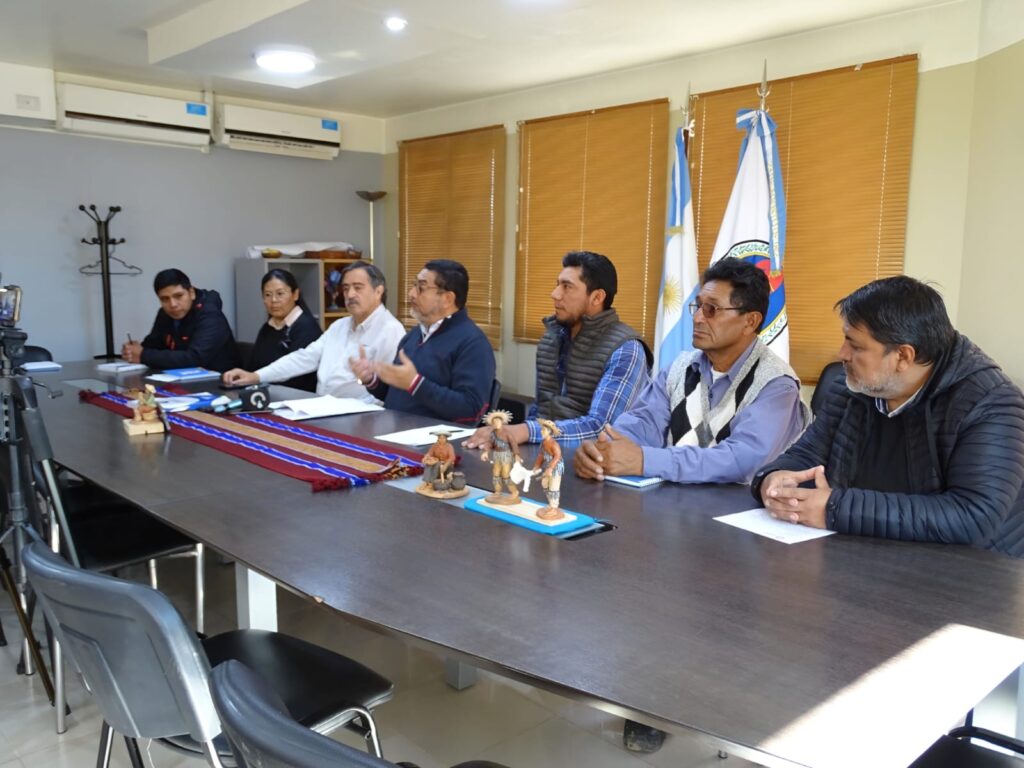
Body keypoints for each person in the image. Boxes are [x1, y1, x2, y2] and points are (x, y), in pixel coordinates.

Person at [753, 275, 1024, 556]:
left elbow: (973, 516)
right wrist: (773, 479)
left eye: (856, 346)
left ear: (903, 356)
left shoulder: (990, 403)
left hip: (969, 567)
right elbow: (807, 454)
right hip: (868, 550)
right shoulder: (854, 386)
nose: (842, 354)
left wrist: (835, 509)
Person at [574, 258, 808, 485]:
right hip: (671, 502)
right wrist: (604, 451)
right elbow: (643, 423)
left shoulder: (776, 385)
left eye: (711, 309)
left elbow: (740, 460)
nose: (697, 318)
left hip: (739, 508)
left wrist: (645, 460)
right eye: (698, 306)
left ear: (750, 321)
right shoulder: (680, 368)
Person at [465, 250, 650, 451]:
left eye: (567, 287)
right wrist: (508, 438)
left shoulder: (627, 349)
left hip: (592, 461)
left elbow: (602, 429)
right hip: (541, 451)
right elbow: (540, 410)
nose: (555, 294)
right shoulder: (551, 338)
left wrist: (525, 431)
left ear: (597, 297)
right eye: (557, 284)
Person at [223, 262, 404, 401]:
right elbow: (305, 357)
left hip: (362, 414)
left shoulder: (390, 331)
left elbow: (390, 389)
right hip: (322, 407)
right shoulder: (339, 326)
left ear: (378, 291)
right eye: (346, 288)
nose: (349, 295)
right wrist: (257, 376)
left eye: (358, 288)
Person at [349, 259, 495, 424]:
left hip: (436, 437)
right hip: (394, 429)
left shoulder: (473, 343)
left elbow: (471, 411)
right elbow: (394, 395)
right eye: (414, 285)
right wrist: (371, 379)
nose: (411, 293)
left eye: (421, 287)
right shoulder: (414, 335)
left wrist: (416, 384)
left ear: (447, 299)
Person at [122, 268, 240, 372]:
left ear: (191, 293)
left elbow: (195, 358)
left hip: (218, 382)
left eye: (178, 296)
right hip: (178, 379)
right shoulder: (164, 314)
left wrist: (143, 355)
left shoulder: (210, 314)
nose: (173, 304)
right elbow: (152, 345)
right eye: (165, 299)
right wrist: (133, 351)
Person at [248, 269, 322, 391]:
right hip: (265, 392)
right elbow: (253, 366)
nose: (274, 300)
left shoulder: (306, 328)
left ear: (295, 294)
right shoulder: (267, 327)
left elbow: (297, 377)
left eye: (280, 293)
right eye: (268, 295)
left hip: (297, 396)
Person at [479, 410, 522, 504]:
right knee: (496, 474)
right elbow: (489, 443)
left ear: (502, 422)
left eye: (498, 421)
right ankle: (498, 492)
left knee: (506, 475)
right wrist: (486, 452)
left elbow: (514, 444)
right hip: (496, 455)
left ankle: (514, 492)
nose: (496, 423)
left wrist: (516, 455)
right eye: (494, 422)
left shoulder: (507, 433)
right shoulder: (493, 433)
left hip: (506, 455)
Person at [532, 419, 564, 520]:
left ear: (549, 431)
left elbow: (557, 456)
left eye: (544, 430)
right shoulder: (543, 443)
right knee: (545, 484)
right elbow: (541, 455)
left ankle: (554, 507)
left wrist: (550, 468)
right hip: (548, 466)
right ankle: (551, 504)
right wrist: (537, 466)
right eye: (542, 429)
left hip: (556, 468)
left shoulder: (554, 444)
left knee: (554, 487)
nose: (541, 431)